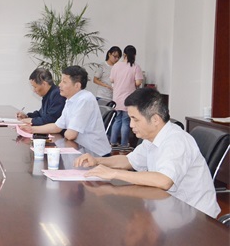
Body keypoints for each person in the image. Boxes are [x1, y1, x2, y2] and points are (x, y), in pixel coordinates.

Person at [74, 88, 220, 219]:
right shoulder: (152, 138)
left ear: (155, 119)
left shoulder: (176, 141)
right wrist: (97, 161)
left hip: (196, 218)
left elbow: (164, 181)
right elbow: (129, 161)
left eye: (135, 119)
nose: (131, 125)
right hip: (170, 209)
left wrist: (114, 173)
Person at [21, 65, 111, 157]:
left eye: (64, 82)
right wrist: (31, 129)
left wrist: (67, 131)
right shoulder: (70, 99)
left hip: (96, 154)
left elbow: (71, 135)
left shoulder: (85, 99)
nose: (59, 85)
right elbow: (57, 127)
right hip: (80, 151)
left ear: (77, 85)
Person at [110, 45, 143, 147]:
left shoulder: (116, 65)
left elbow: (111, 80)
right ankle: (124, 144)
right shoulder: (135, 67)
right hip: (128, 99)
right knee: (125, 121)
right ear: (134, 55)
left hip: (117, 98)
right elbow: (138, 82)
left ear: (124, 54)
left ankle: (113, 142)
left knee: (117, 120)